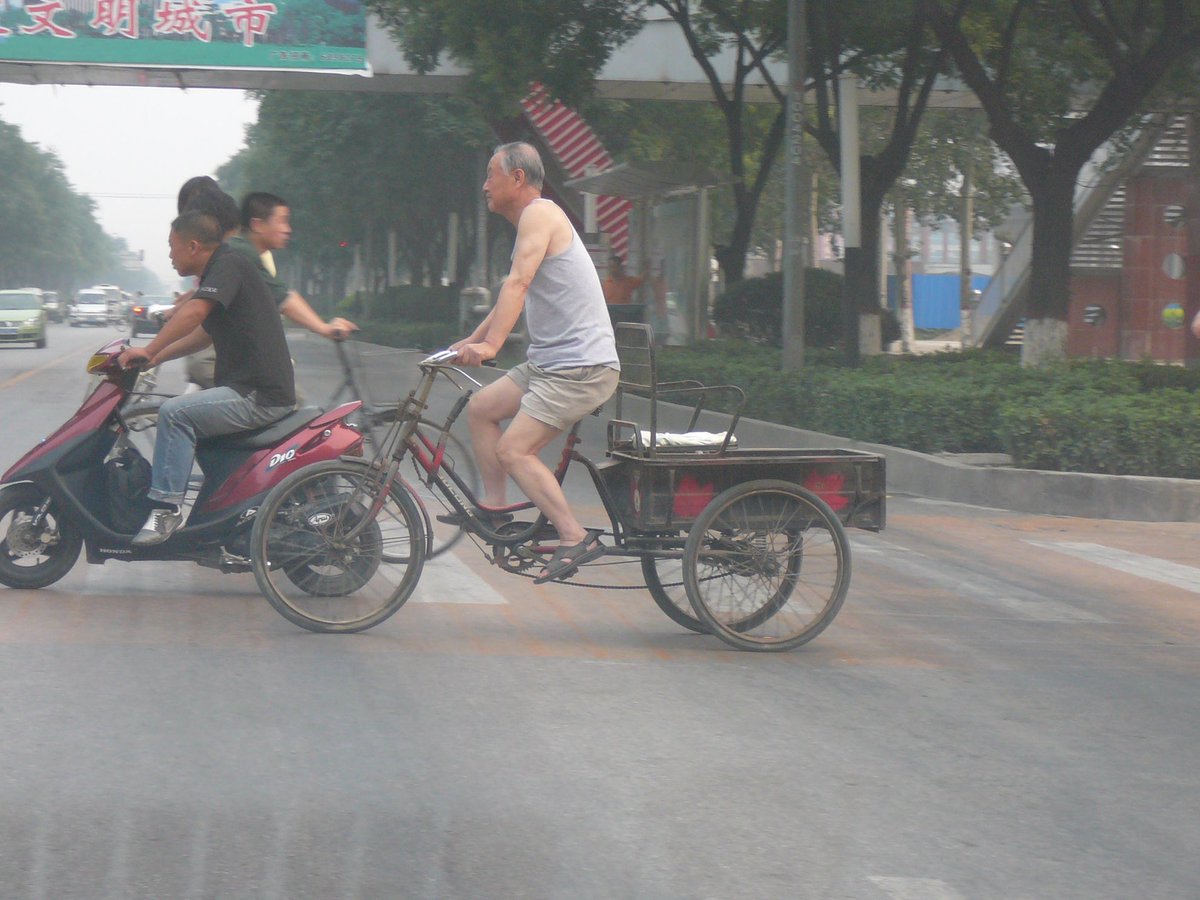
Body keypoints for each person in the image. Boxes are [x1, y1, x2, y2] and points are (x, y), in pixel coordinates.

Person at [449, 142, 620, 584]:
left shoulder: (540, 214)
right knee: (482, 408)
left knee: (514, 449)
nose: (485, 185)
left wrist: (492, 347)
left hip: (580, 368)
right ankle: (497, 511)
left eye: (491, 175)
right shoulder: (533, 222)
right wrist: (474, 339)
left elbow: (520, 282)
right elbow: (514, 287)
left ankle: (574, 534)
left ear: (518, 178)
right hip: (551, 364)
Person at [117, 210, 296, 546]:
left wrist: (150, 347)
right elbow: (203, 334)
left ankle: (166, 509)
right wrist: (152, 357)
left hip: (258, 394)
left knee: (175, 413)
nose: (169, 255)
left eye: (172, 247)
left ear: (194, 246)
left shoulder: (228, 264)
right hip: (249, 389)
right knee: (183, 413)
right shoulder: (225, 268)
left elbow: (195, 312)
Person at [231, 191, 357, 341]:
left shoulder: (248, 252)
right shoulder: (243, 254)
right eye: (282, 221)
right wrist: (325, 329)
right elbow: (284, 299)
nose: (287, 229)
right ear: (257, 225)